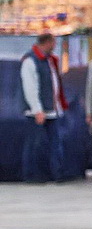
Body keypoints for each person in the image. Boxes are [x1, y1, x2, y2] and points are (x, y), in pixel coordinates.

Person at [20, 33, 71, 182]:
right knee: (35, 144)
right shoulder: (30, 61)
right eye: (53, 43)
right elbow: (30, 87)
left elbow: (54, 84)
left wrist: (59, 106)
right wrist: (37, 109)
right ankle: (32, 174)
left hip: (52, 109)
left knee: (55, 144)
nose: (54, 46)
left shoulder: (50, 60)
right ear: (47, 43)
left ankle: (56, 173)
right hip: (38, 111)